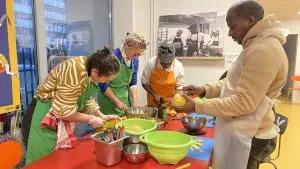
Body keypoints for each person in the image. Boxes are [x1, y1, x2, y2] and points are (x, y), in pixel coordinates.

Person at [173, 1, 288, 169]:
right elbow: (232, 82)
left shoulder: (263, 50)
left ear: (250, 21)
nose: (229, 33)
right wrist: (204, 89)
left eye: (232, 26)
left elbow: (244, 102)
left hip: (250, 134)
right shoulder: (256, 45)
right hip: (244, 128)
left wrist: (197, 106)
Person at [25, 47, 121, 165]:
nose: (106, 83)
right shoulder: (75, 71)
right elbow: (65, 112)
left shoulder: (90, 69)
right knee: (42, 161)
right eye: (106, 80)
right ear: (96, 71)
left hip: (61, 113)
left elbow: (86, 99)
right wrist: (90, 119)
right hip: (43, 113)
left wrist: (102, 116)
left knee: (59, 158)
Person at [98, 33, 148, 116]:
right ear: (127, 47)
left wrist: (135, 102)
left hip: (124, 100)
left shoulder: (134, 60)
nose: (137, 57)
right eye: (136, 54)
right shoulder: (113, 57)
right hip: (108, 101)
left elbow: (133, 82)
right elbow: (102, 83)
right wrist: (117, 101)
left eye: (139, 54)